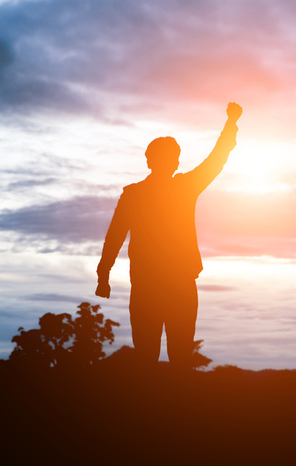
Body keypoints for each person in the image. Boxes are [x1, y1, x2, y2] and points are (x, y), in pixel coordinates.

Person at [95, 102, 242, 368]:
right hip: (161, 285)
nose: (170, 162)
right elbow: (114, 236)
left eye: (171, 157)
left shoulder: (143, 193)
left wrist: (104, 275)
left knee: (162, 356)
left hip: (167, 284)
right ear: (154, 161)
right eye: (168, 157)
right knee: (168, 357)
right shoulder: (163, 190)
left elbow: (113, 237)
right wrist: (230, 123)